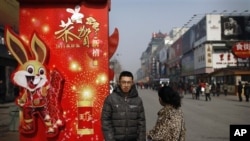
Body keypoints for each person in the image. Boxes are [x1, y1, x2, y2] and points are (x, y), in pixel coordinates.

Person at [101, 71, 146, 141]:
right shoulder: (111, 99)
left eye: (128, 82)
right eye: (123, 82)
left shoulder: (138, 100)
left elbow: (141, 123)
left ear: (132, 83)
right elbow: (105, 121)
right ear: (119, 82)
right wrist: (110, 139)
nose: (126, 85)